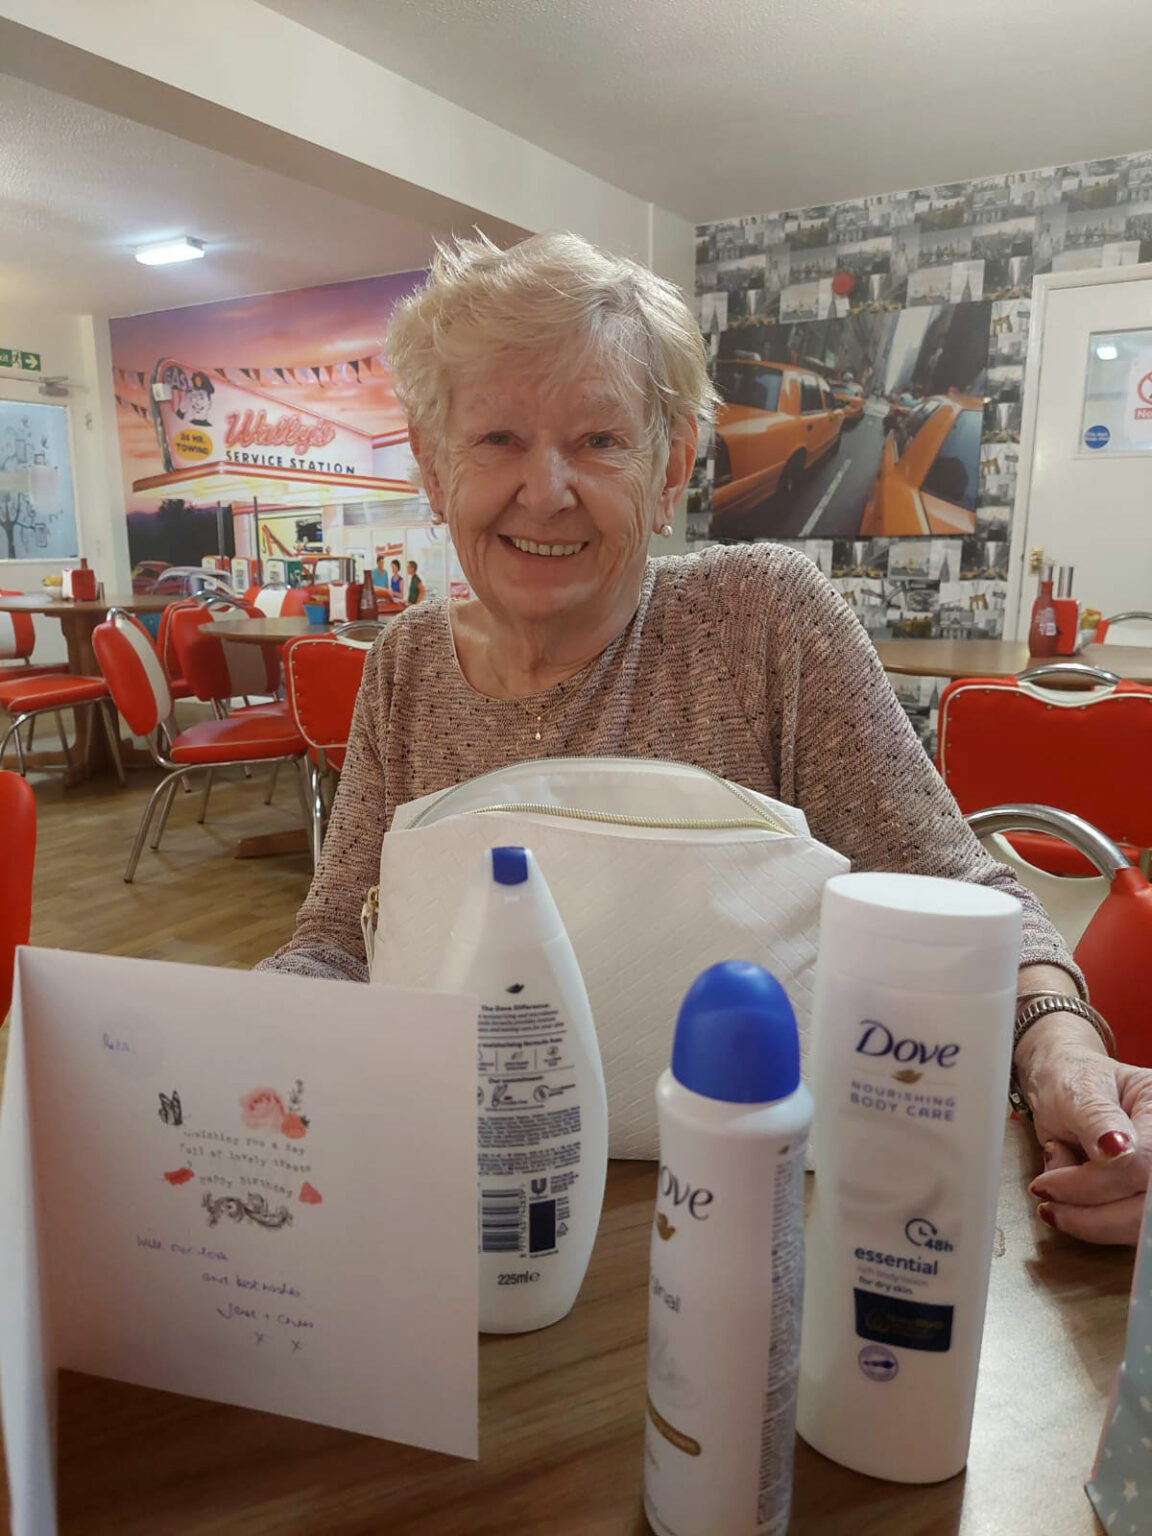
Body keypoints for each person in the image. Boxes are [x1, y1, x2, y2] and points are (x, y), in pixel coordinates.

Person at [260, 231, 1152, 1245]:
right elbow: (335, 939)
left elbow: (964, 894)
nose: (544, 490)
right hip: (463, 1207)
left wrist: (1061, 1055)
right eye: (496, 439)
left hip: (752, 1223)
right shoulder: (408, 664)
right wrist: (232, 1040)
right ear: (432, 466)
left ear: (672, 465)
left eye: (599, 440)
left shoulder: (762, 619)